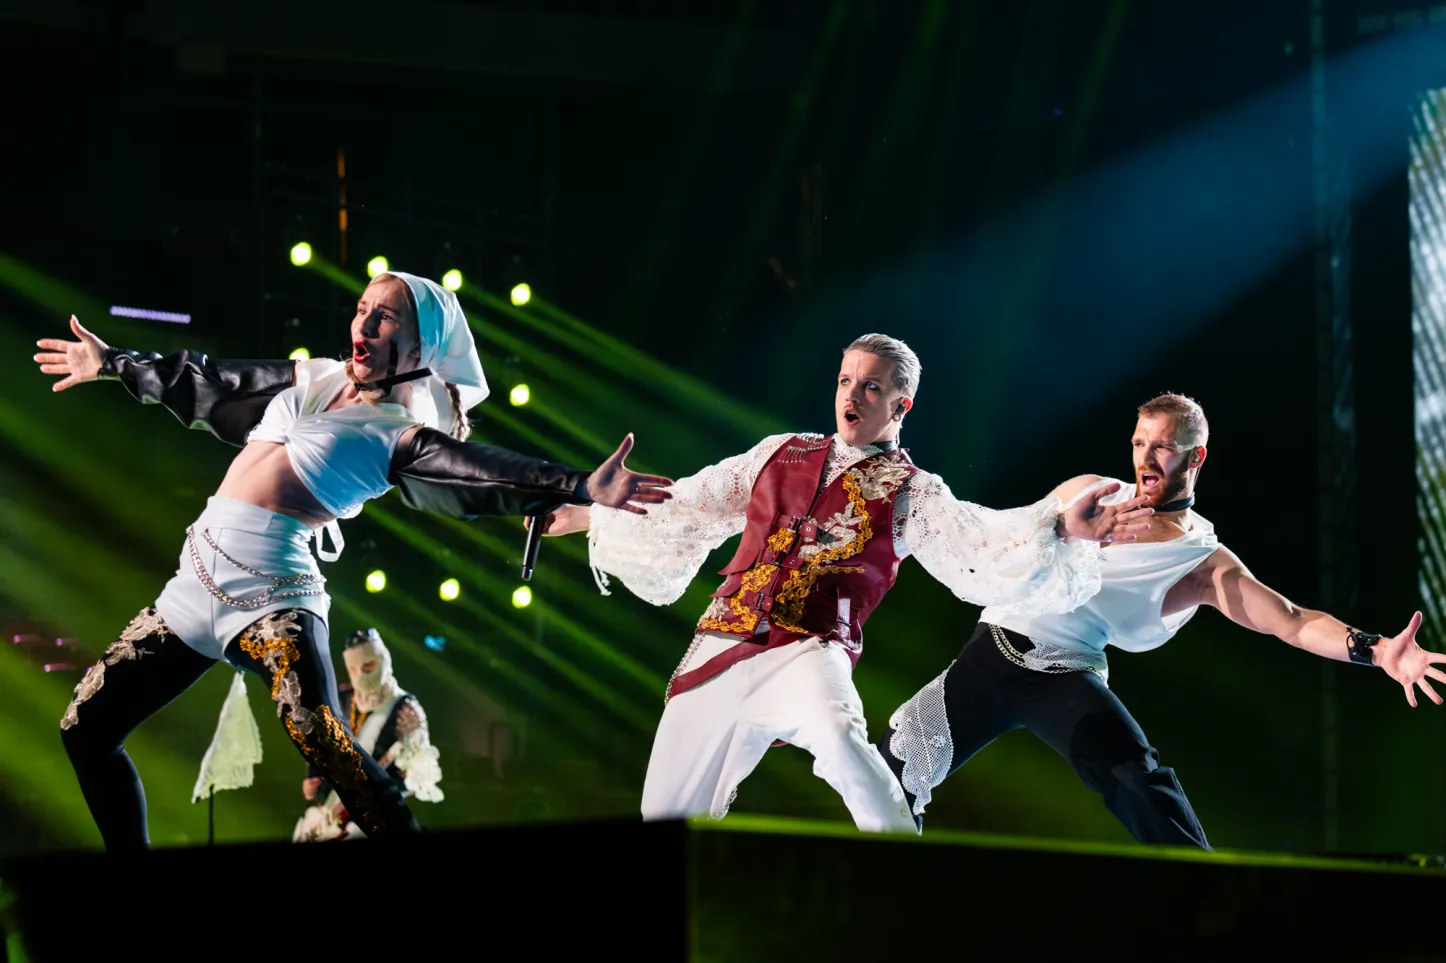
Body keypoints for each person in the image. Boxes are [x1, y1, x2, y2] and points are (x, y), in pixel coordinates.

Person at [37, 270, 671, 850]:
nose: (363, 326)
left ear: (419, 349)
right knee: (85, 731)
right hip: (192, 586)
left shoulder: (397, 432)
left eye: (385, 318)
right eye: (362, 309)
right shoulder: (313, 375)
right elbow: (215, 380)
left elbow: (483, 469)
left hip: (271, 598)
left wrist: (580, 485)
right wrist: (115, 362)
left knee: (336, 754)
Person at [536, 334, 1152, 833]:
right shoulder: (778, 453)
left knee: (839, 739)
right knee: (662, 814)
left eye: (871, 386)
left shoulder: (913, 490)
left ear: (900, 405)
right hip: (721, 645)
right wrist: (589, 513)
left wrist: (1061, 531)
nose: (852, 394)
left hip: (808, 649)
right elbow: (690, 504)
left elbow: (983, 542)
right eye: (845, 381)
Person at [877, 393, 1446, 847]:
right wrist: (1059, 527)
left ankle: (1214, 911)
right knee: (888, 772)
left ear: (1195, 457)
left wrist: (1374, 649)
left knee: (1138, 783)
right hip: (988, 654)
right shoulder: (1090, 493)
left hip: (1065, 675)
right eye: (1139, 443)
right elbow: (995, 542)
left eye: (1164, 448)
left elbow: (1291, 621)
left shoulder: (1199, 560)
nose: (1146, 460)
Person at [293, 629, 441, 842]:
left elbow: (418, 774)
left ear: (382, 660)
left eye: (368, 667)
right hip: (323, 813)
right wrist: (313, 776)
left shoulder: (406, 710)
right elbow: (320, 740)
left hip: (372, 818)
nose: (362, 674)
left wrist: (378, 792)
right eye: (354, 670)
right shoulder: (341, 697)